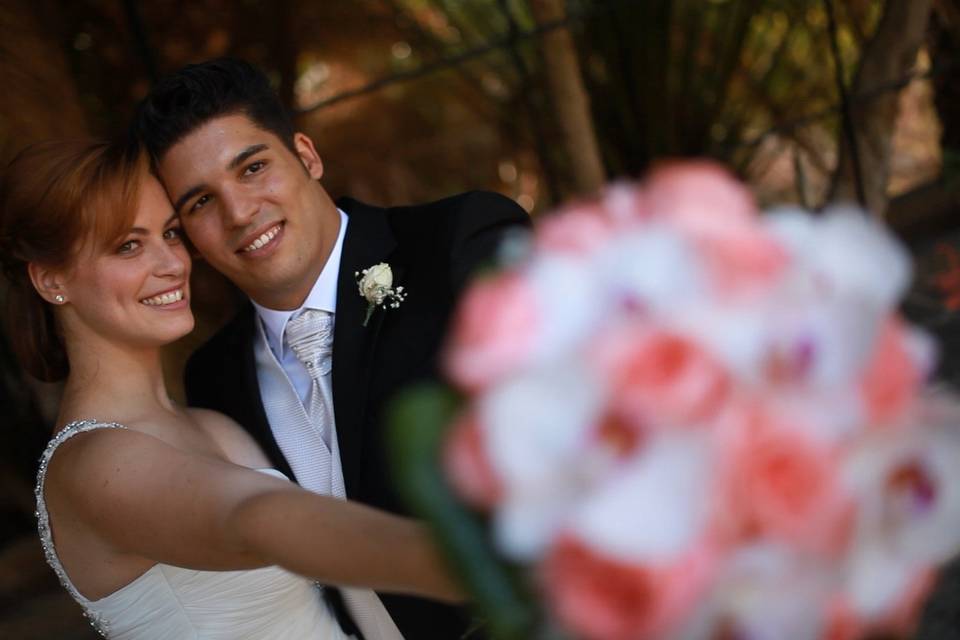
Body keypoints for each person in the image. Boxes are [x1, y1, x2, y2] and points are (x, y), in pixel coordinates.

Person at [133, 57, 531, 639]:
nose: (240, 213)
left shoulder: (455, 243)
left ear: (307, 155)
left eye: (253, 168)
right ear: (188, 238)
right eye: (200, 203)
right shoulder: (213, 381)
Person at [0, 138, 462, 639]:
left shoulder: (211, 418)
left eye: (171, 234)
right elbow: (254, 518)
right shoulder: (92, 462)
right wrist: (470, 564)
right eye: (128, 245)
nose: (173, 263)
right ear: (51, 281)